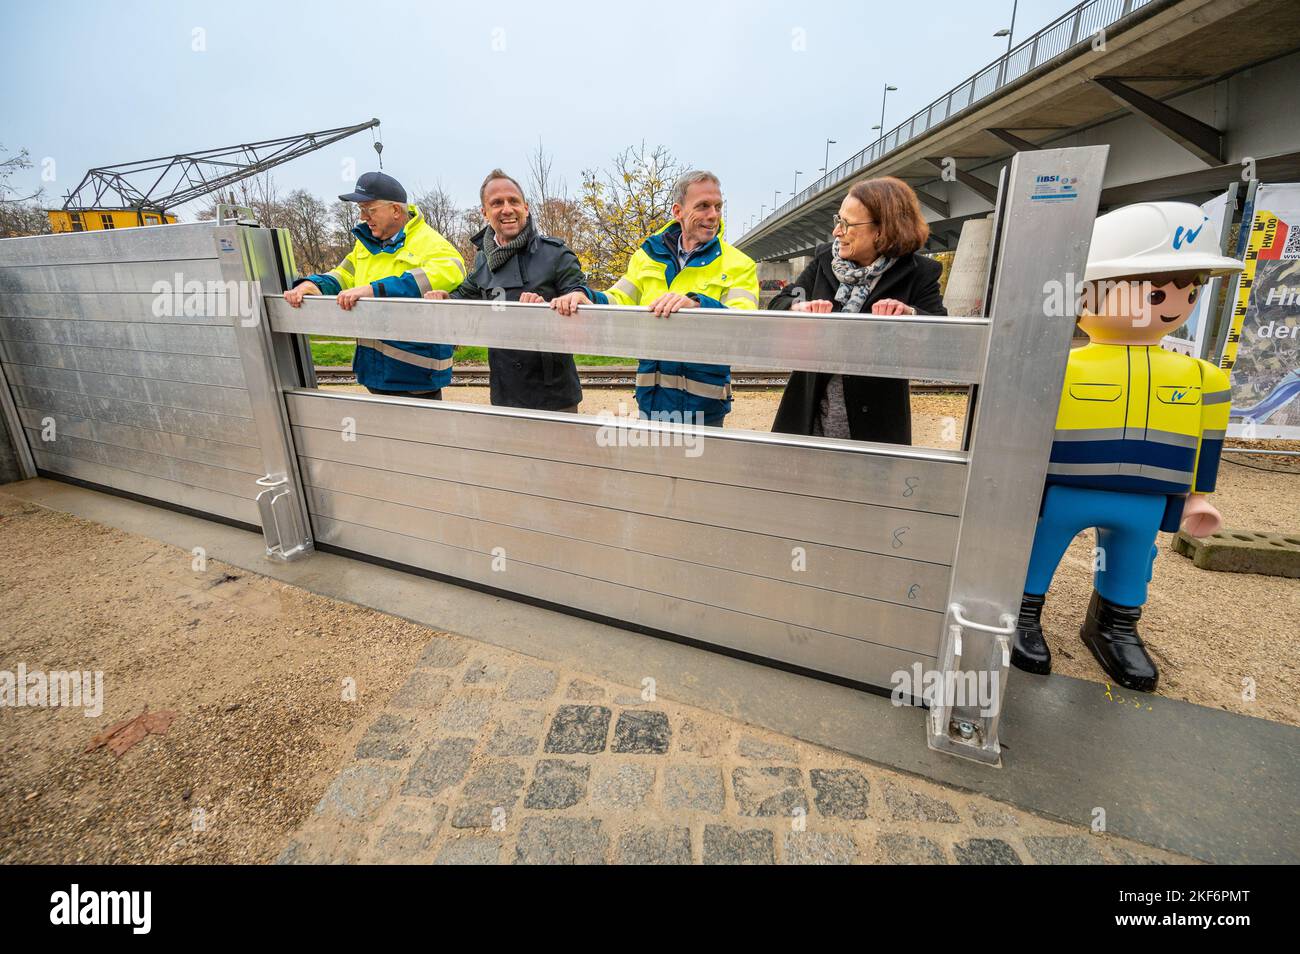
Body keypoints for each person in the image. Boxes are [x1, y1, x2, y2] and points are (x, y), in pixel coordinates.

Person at [1010, 201, 1243, 691]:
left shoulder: (1202, 377)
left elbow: (1208, 442)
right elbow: (1022, 429)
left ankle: (1115, 626)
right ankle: (1023, 614)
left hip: (1147, 496)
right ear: (1088, 293)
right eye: (1156, 291)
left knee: (1133, 561)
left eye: (1189, 291)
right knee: (1038, 550)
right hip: (1062, 489)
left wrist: (1198, 496)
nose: (1174, 304)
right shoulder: (1057, 366)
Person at [549, 171, 759, 427]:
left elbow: (746, 326)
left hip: (704, 409)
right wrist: (586, 296)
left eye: (717, 207)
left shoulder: (739, 264)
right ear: (677, 211)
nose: (713, 215)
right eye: (703, 206)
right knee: (652, 467)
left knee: (693, 468)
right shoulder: (647, 255)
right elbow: (618, 299)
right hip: (652, 400)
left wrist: (698, 304)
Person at [769, 176, 945, 444]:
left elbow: (942, 338)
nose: (837, 232)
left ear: (882, 230)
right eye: (837, 220)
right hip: (807, 414)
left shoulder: (919, 273)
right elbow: (780, 302)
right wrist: (799, 306)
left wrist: (909, 314)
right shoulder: (826, 259)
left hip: (875, 424)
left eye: (846, 224)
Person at [283, 171, 465, 399]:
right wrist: (313, 284)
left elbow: (448, 274)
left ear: (396, 210)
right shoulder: (366, 246)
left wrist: (373, 290)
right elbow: (342, 276)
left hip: (415, 375)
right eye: (361, 210)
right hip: (374, 372)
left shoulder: (430, 243)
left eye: (370, 210)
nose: (363, 217)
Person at [424, 170, 583, 412]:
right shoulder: (482, 260)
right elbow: (464, 295)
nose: (507, 209)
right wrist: (445, 297)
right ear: (485, 213)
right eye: (497, 203)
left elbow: (580, 297)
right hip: (504, 392)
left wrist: (547, 308)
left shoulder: (556, 253)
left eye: (513, 201)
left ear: (526, 208)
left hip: (554, 395)